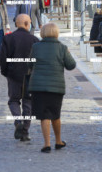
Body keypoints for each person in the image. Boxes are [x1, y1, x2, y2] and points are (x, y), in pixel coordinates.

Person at [28, 23, 76, 153]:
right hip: (56, 87)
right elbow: (71, 65)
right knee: (55, 115)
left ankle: (47, 144)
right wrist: (68, 53)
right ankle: (58, 141)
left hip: (38, 87)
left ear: (43, 33)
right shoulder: (62, 48)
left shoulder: (36, 47)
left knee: (44, 115)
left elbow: (30, 63)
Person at [0, 14, 39, 142]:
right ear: (27, 24)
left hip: (13, 74)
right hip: (30, 75)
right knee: (28, 102)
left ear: (17, 24)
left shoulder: (8, 38)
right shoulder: (34, 40)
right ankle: (25, 131)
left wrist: (6, 72)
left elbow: (2, 58)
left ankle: (18, 120)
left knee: (13, 100)